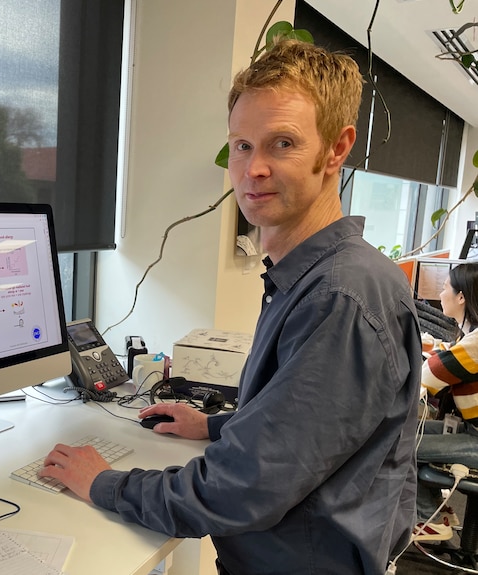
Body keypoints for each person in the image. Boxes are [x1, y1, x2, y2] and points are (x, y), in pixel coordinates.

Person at [39, 39, 422, 574]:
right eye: (242, 145)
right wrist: (215, 427)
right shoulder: (313, 276)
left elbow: (241, 489)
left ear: (336, 150)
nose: (252, 169)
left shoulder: (341, 296)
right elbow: (311, 433)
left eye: (281, 144)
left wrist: (103, 484)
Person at [415, 263, 478, 541]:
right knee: (406, 432)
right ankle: (440, 513)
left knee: (397, 441)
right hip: (470, 431)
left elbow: (426, 378)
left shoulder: (476, 343)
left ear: (461, 297)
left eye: (444, 289)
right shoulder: (471, 337)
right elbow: (448, 356)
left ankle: (428, 519)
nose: (440, 295)